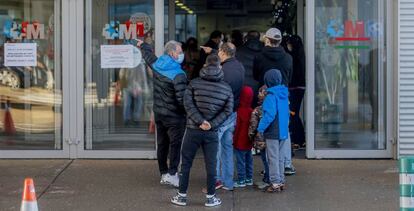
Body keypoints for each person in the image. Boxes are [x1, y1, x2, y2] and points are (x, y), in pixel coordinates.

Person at [171, 54, 233, 207]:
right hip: (212, 132)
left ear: (205, 66)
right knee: (211, 165)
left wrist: (200, 121)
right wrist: (210, 124)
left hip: (193, 130)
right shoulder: (226, 88)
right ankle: (211, 198)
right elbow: (228, 111)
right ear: (220, 67)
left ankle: (182, 196)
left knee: (186, 164)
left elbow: (187, 104)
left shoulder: (193, 83)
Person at [138, 39, 187, 188]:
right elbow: (181, 99)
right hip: (174, 116)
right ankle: (172, 174)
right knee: (175, 145)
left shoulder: (157, 64)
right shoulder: (179, 74)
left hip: (159, 113)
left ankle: (164, 173)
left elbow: (147, 55)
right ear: (172, 53)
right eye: (179, 52)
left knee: (162, 143)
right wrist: (188, 113)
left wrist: (142, 45)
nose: (181, 55)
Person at [253, 27, 295, 174]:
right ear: (280, 41)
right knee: (284, 129)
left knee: (268, 129)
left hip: (266, 96)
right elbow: (289, 78)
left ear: (267, 40)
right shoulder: (288, 58)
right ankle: (287, 164)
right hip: (283, 96)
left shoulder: (259, 57)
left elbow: (255, 75)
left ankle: (270, 168)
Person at [256, 69, 290, 193]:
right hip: (283, 131)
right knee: (280, 157)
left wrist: (260, 128)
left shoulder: (270, 96)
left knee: (272, 158)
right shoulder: (284, 94)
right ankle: (281, 180)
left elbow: (269, 115)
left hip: (273, 131)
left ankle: (275, 183)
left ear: (267, 81)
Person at [286, 35, 306, 150]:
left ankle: (298, 140)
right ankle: (301, 139)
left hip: (293, 88)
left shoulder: (292, 56)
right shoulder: (302, 55)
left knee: (293, 114)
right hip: (301, 87)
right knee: (295, 113)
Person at [248, 85, 270, 189]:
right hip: (272, 139)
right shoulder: (272, 107)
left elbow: (253, 125)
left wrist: (251, 136)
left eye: (260, 93)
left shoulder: (257, 110)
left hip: (261, 140)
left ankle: (267, 179)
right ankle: (271, 178)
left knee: (265, 160)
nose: (258, 95)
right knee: (271, 160)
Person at [233, 86, 254, 188]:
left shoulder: (239, 111)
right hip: (249, 142)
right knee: (249, 160)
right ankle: (249, 178)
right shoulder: (252, 111)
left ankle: (241, 180)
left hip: (240, 142)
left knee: (240, 162)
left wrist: (234, 140)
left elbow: (237, 128)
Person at [236, 30, 264, 107]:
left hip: (244, 90)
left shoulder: (238, 51)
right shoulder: (265, 51)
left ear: (247, 38)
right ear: (259, 38)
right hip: (260, 90)